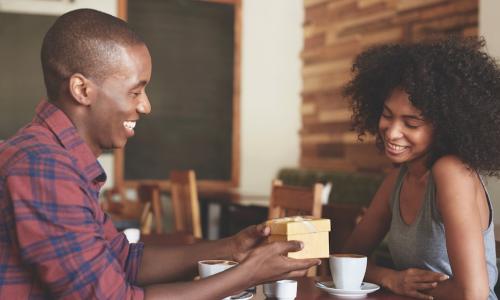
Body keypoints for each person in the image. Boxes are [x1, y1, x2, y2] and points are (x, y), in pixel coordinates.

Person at [0, 8, 320, 299]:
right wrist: (248, 273)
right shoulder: (42, 167)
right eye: (135, 91)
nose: (146, 106)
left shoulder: (54, 159)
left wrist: (232, 249)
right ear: (82, 90)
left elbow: (123, 259)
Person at [341, 37, 500, 300]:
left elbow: (473, 293)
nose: (392, 132)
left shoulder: (452, 172)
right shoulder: (398, 179)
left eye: (411, 123)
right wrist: (391, 278)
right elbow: (347, 258)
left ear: (444, 126)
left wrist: (400, 285)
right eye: (387, 115)